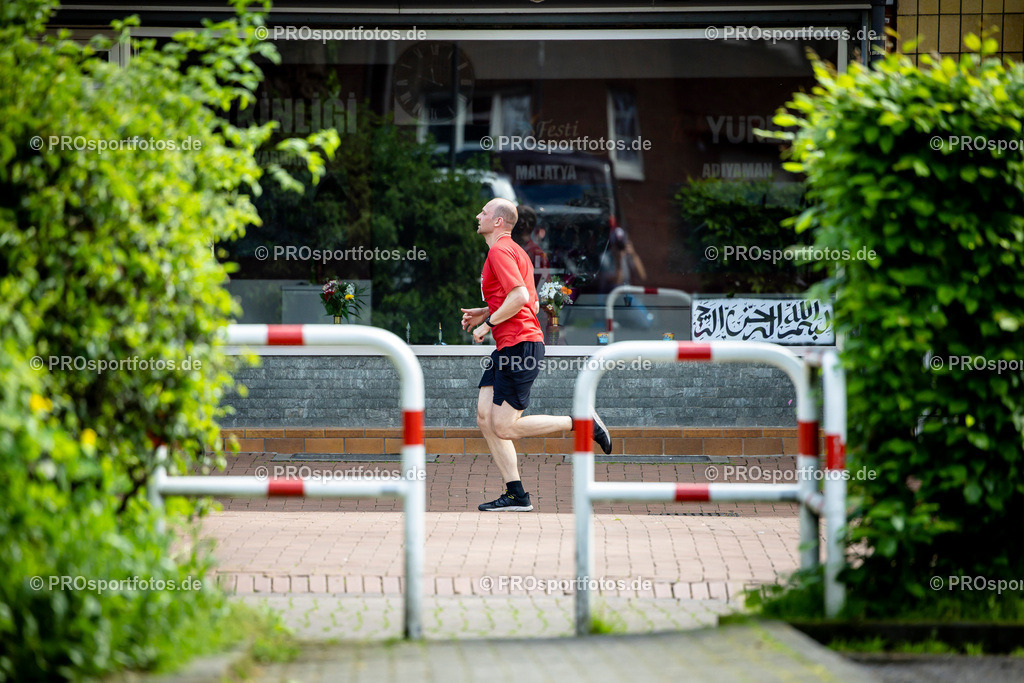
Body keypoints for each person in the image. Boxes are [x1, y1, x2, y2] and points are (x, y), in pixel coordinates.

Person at [461, 198, 612, 512]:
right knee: (485, 418)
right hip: (510, 345)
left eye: (484, 212)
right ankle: (517, 495)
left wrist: (486, 324)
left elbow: (518, 297)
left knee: (503, 425)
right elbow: (524, 302)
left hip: (519, 345)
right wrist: (485, 312)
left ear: (499, 221)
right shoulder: (516, 251)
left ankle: (582, 423)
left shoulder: (500, 251)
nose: (479, 215)